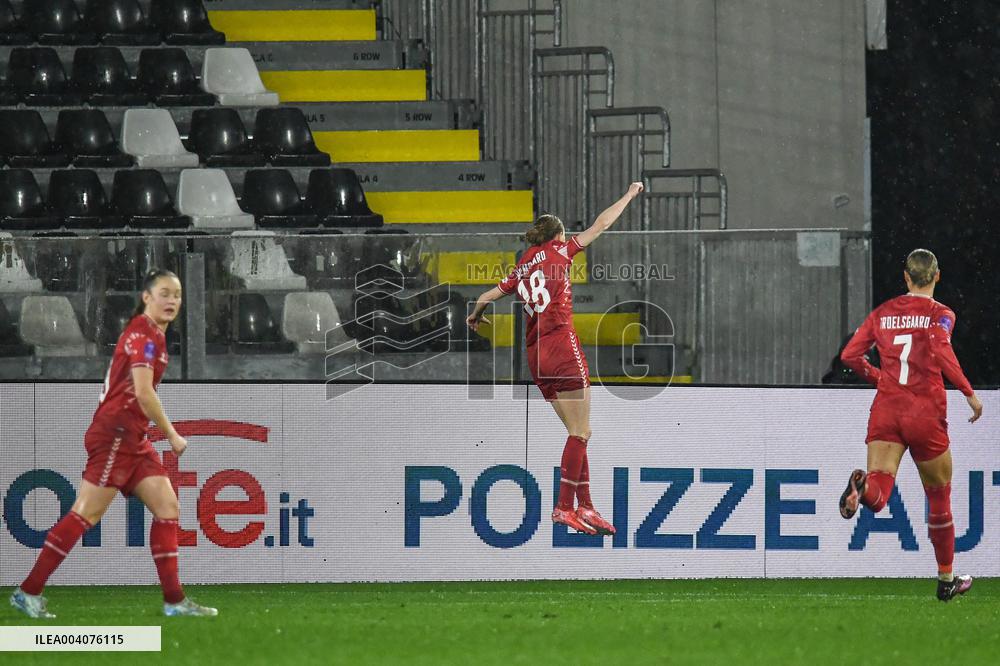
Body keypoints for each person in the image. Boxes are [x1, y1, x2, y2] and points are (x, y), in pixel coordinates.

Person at [10, 269, 217, 618]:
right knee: (86, 513)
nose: (172, 300)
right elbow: (143, 392)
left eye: (177, 295)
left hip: (132, 437)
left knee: (167, 507)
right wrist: (171, 433)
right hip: (115, 435)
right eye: (164, 293)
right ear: (146, 297)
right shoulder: (144, 335)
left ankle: (174, 601)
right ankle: (28, 591)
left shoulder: (152, 335)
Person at [467, 182, 644, 536]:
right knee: (581, 432)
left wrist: (475, 315)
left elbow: (485, 296)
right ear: (558, 235)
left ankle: (586, 505)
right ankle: (565, 507)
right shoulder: (560, 251)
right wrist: (628, 195)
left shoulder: (522, 266)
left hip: (537, 357)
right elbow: (601, 225)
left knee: (578, 433)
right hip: (562, 346)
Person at [838, 249, 983, 601]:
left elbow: (849, 356)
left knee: (880, 491)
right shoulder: (940, 314)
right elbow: (941, 350)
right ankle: (946, 579)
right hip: (924, 413)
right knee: (939, 496)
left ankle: (862, 488)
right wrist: (968, 392)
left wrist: (879, 377)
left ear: (905, 276)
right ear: (937, 276)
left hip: (887, 409)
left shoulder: (883, 313)